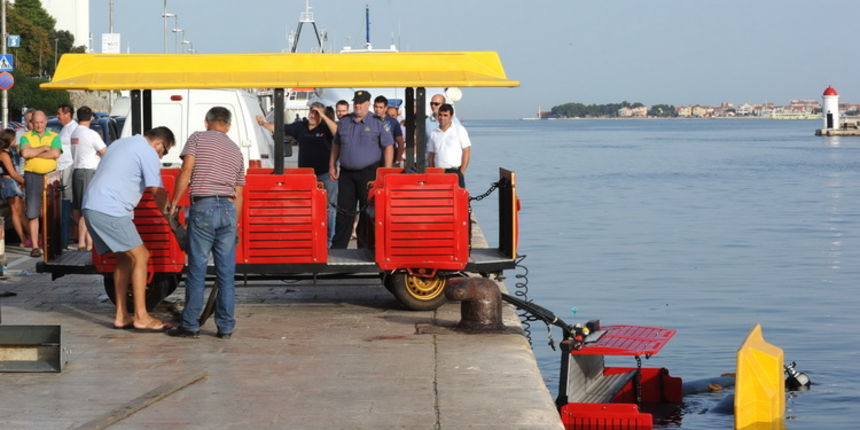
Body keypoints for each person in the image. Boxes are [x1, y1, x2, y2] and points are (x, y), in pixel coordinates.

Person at [82, 126, 175, 331]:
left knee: (124, 259)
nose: (161, 157)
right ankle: (142, 316)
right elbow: (157, 191)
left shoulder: (121, 143)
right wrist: (170, 216)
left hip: (92, 206)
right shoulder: (147, 151)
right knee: (141, 256)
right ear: (159, 144)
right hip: (109, 209)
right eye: (165, 152)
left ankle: (121, 315)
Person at [168, 107, 245, 339]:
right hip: (229, 211)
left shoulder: (197, 138)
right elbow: (239, 193)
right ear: (228, 126)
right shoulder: (235, 150)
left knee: (197, 269)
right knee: (225, 274)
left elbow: (186, 169)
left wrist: (173, 203)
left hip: (203, 207)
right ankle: (226, 328)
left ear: (207, 122)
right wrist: (235, 225)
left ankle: (190, 325)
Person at [257, 102, 338, 246]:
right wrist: (263, 124)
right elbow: (281, 128)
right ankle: (309, 239)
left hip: (326, 174)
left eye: (316, 113)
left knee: (329, 209)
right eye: (311, 112)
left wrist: (323, 115)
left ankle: (328, 242)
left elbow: (337, 132)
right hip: (306, 176)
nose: (312, 115)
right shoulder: (300, 126)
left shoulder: (326, 127)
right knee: (307, 208)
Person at [329, 90, 394, 249]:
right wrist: (332, 165)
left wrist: (386, 171)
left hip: (369, 173)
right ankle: (339, 249)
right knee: (344, 212)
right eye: (356, 103)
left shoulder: (378, 122)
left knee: (367, 212)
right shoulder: (344, 122)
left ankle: (365, 247)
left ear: (368, 104)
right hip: (347, 174)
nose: (358, 105)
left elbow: (388, 146)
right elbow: (336, 145)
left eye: (361, 103)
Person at [20, 111, 61, 258]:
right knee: (33, 212)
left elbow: (55, 153)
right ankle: (35, 246)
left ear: (46, 122)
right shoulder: (26, 136)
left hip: (50, 176)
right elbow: (25, 153)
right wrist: (44, 148)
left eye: (41, 122)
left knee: (50, 212)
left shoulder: (54, 136)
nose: (38, 125)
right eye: (36, 122)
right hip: (32, 176)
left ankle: (50, 244)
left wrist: (34, 152)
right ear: (32, 122)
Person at [71, 106, 107, 251]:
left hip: (77, 171)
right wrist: (98, 154)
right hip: (88, 171)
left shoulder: (75, 132)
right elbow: (105, 152)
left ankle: (87, 242)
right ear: (91, 117)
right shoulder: (91, 134)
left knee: (81, 208)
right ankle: (84, 243)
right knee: (88, 208)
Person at [428, 103, 471, 188]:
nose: (442, 118)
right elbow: (431, 156)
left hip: (454, 171)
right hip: (438, 173)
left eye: (445, 115)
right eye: (440, 115)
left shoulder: (459, 130)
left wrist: (461, 172)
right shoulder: (434, 133)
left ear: (451, 117)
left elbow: (467, 151)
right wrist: (432, 172)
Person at [0, 129, 29, 246]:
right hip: (8, 182)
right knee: (15, 211)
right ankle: (23, 239)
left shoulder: (9, 151)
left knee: (21, 211)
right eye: (14, 138)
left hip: (12, 182)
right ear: (9, 140)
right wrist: (24, 181)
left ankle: (29, 236)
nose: (16, 140)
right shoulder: (3, 154)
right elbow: (12, 172)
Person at [56, 104, 78, 249]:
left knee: (69, 203)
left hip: (68, 168)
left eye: (59, 113)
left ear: (67, 114)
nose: (57, 116)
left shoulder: (73, 129)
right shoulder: (64, 128)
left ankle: (75, 234)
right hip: (62, 168)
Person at [373, 95, 405, 166]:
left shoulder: (393, 122)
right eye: (376, 107)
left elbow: (400, 142)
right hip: (372, 161)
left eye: (380, 107)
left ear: (385, 108)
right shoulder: (369, 121)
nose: (377, 109)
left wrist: (397, 160)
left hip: (389, 160)